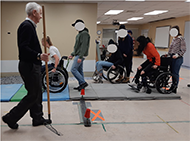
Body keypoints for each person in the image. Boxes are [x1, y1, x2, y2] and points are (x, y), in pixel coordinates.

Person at [2, 2, 51, 130]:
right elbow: (23, 49)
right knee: (33, 94)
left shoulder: (30, 26)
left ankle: (37, 118)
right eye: (40, 13)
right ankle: (11, 117)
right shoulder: (26, 26)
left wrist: (39, 57)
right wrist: (39, 56)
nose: (41, 17)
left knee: (37, 92)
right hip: (29, 66)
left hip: (32, 65)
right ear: (34, 12)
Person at [68, 19, 90, 91]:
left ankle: (83, 82)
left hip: (80, 55)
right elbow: (77, 46)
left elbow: (84, 46)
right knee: (80, 70)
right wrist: (72, 54)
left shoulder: (84, 34)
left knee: (73, 69)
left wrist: (80, 56)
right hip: (79, 54)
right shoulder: (80, 33)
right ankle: (81, 85)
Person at [168, 25, 186, 93]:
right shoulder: (174, 39)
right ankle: (172, 86)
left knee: (175, 73)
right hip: (172, 57)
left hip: (178, 58)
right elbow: (171, 48)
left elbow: (183, 50)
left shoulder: (181, 39)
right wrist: (168, 54)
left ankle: (174, 87)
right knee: (171, 72)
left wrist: (177, 55)